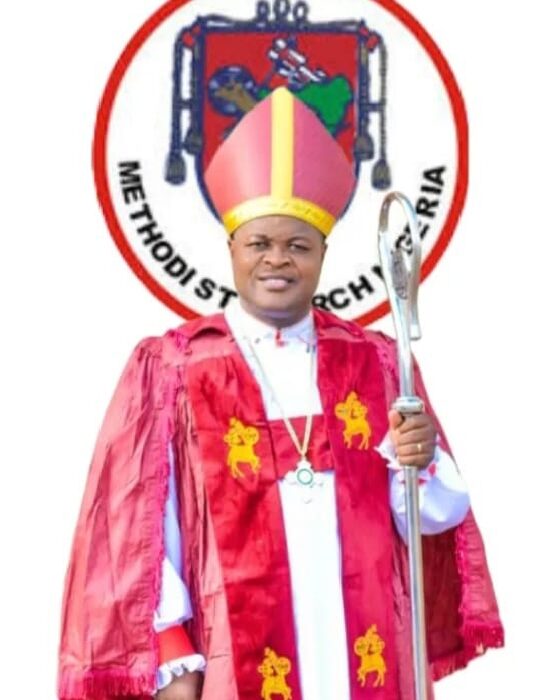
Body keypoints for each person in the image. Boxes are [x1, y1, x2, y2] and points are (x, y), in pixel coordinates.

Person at [58, 87, 503, 700]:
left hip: (363, 651)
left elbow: (428, 519)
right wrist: (173, 660)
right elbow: (140, 532)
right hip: (234, 659)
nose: (277, 261)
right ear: (232, 249)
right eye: (259, 245)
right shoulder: (175, 367)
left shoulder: (375, 360)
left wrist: (421, 462)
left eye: (298, 246)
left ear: (323, 253)